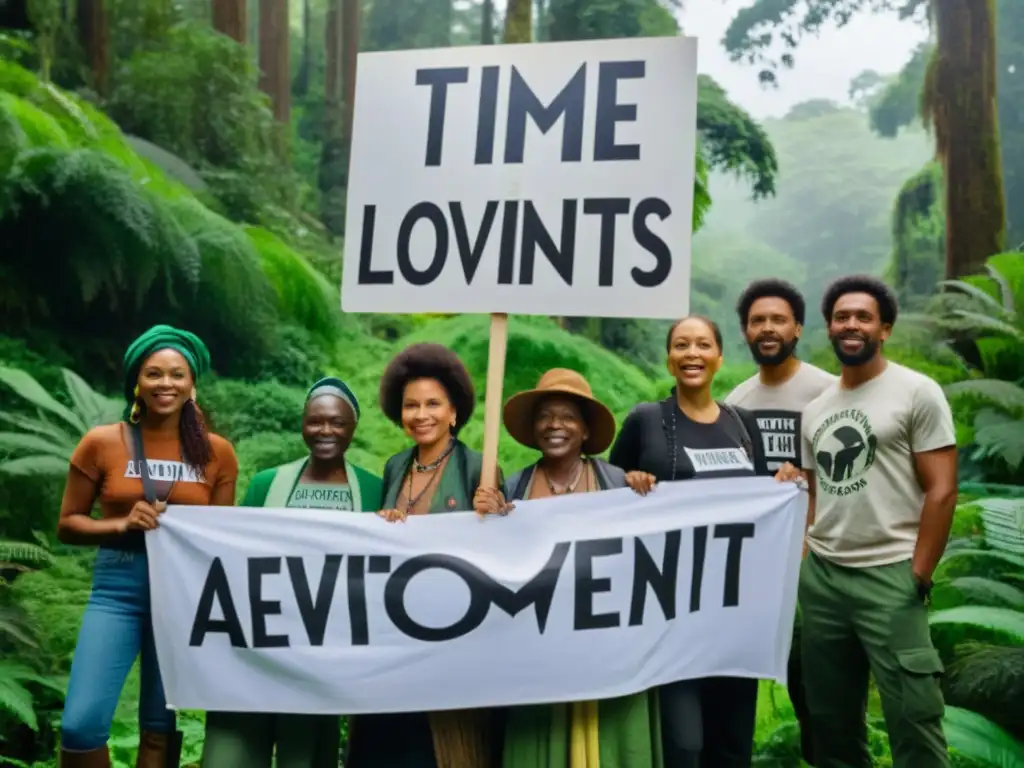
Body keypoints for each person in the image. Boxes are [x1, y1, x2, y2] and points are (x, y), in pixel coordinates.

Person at [776, 276, 957, 768]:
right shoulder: (815, 410)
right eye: (841, 316)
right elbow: (816, 492)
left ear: (885, 329)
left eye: (863, 316)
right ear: (830, 328)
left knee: (913, 717)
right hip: (825, 580)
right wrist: (807, 556)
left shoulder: (916, 392)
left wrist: (917, 573)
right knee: (831, 721)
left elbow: (942, 489)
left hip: (891, 572)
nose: (850, 324)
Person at [56, 325, 238, 768]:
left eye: (177, 375)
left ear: (192, 385)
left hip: (182, 596)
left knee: (159, 727)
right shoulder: (101, 442)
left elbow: (221, 537)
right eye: (154, 374)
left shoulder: (217, 453)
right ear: (136, 382)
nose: (166, 384)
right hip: (118, 589)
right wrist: (120, 524)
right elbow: (68, 525)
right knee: (81, 725)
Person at [474, 368, 664, 768]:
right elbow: (492, 561)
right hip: (539, 651)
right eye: (545, 415)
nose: (555, 425)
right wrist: (489, 520)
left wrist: (644, 493)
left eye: (567, 416)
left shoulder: (617, 485)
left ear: (585, 430)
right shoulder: (515, 488)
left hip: (606, 648)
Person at [607, 315, 771, 768]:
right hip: (671, 608)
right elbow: (604, 489)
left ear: (719, 357)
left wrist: (786, 482)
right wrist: (629, 480)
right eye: (681, 345)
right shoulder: (646, 420)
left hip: (735, 609)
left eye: (702, 345)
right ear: (669, 358)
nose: (692, 354)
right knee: (685, 744)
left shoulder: (743, 423)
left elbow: (760, 503)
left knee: (734, 743)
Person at [200, 377, 382, 768]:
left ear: (353, 428)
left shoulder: (372, 490)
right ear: (303, 423)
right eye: (315, 421)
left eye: (337, 423)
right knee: (233, 751)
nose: (325, 431)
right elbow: (233, 555)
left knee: (303, 754)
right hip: (256, 646)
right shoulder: (268, 484)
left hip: (319, 657)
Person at [345, 342, 503, 768]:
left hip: (452, 634)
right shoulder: (396, 466)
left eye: (433, 404)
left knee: (435, 750)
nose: (421, 415)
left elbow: (498, 546)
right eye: (411, 405)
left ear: (455, 412)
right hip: (395, 632)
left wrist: (496, 509)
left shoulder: (477, 467)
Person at [725, 278, 836, 765]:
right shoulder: (736, 402)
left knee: (824, 682)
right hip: (762, 563)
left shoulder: (827, 391)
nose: (767, 328)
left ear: (797, 328)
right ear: (746, 333)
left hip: (825, 554)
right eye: (756, 321)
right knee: (776, 671)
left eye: (777, 319)